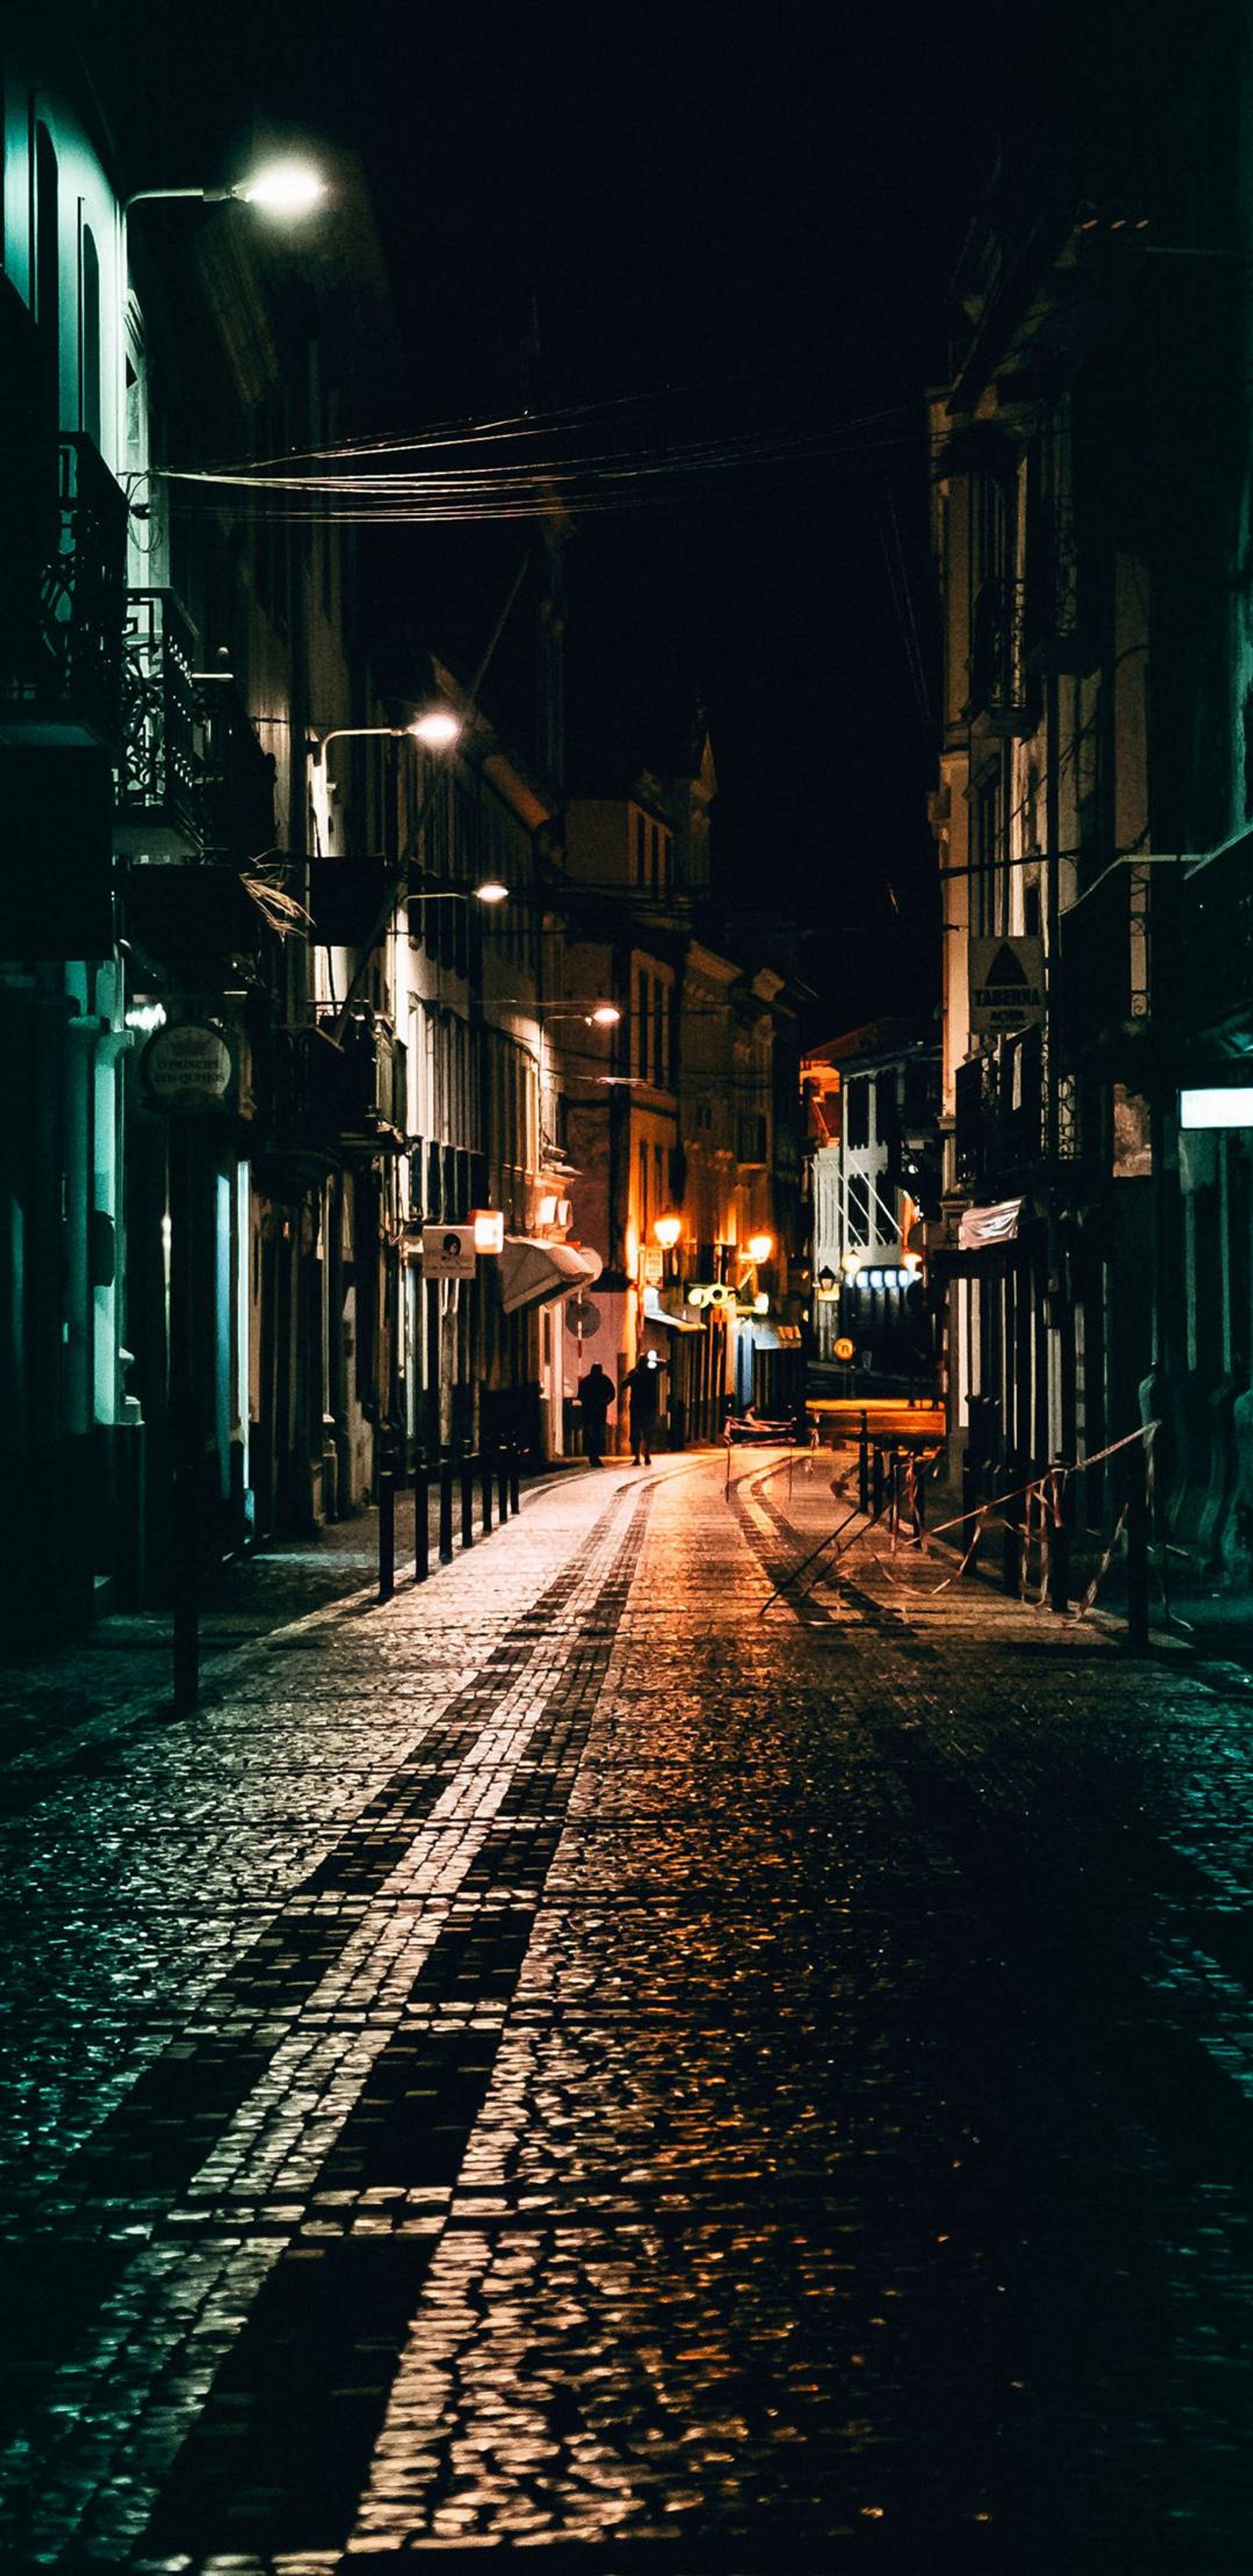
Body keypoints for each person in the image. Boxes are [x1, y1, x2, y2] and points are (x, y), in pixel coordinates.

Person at [623, 1349, 663, 1465]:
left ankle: (637, 1457)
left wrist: (633, 1373)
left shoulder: (635, 1375)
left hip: (636, 1408)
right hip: (649, 1407)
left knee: (636, 1433)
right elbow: (663, 1365)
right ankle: (647, 1454)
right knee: (647, 1432)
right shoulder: (651, 1375)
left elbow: (624, 1385)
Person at [576, 1361, 615, 1466]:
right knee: (598, 1433)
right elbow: (612, 1394)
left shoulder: (586, 1381)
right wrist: (605, 1402)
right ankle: (595, 1455)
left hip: (588, 1410)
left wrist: (588, 1402)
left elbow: (580, 1396)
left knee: (589, 1433)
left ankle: (592, 1455)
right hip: (600, 1410)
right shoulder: (605, 1380)